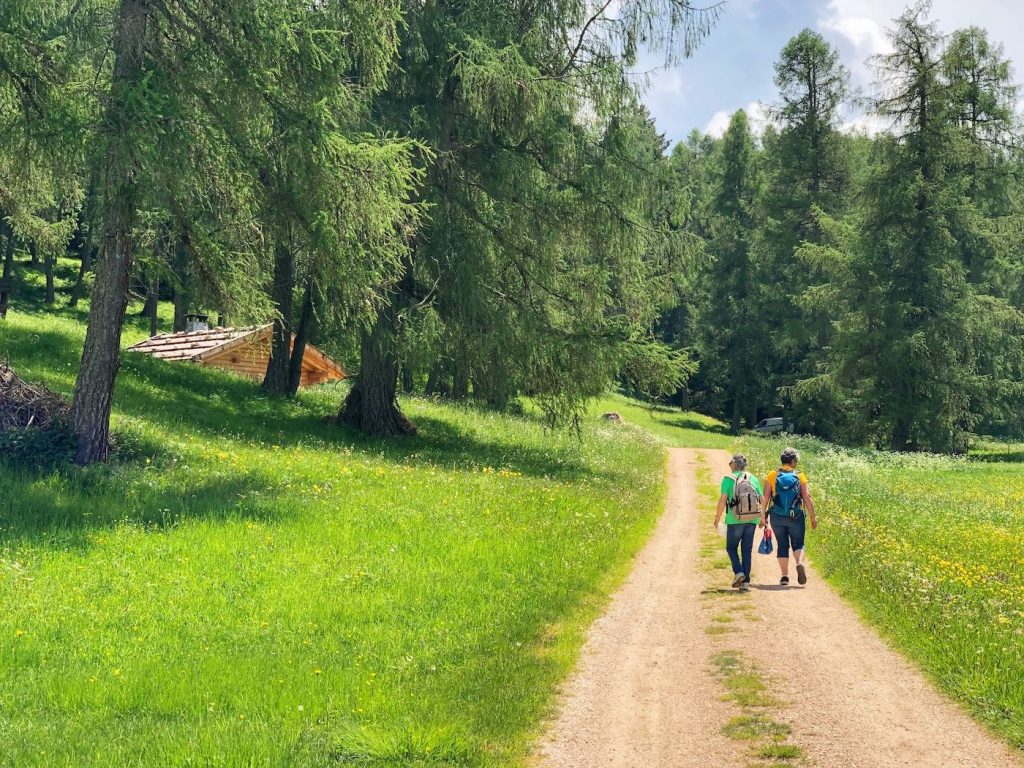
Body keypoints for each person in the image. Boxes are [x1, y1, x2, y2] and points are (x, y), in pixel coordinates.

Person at [760, 447, 817, 586]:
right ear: (792, 461)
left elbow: (765, 497)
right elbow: (807, 497)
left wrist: (762, 517)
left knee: (782, 545)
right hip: (795, 516)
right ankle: (799, 563)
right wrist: (812, 516)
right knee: (798, 543)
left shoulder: (772, 474)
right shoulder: (799, 475)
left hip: (777, 516)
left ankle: (784, 577)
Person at [714, 454, 763, 590]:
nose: (729, 464)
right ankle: (746, 583)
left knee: (731, 547)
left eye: (730, 462)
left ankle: (739, 572)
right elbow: (761, 498)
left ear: (735, 464)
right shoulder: (753, 478)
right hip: (752, 519)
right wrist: (762, 518)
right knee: (747, 550)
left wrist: (717, 518)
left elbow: (723, 500)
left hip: (735, 519)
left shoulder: (728, 479)